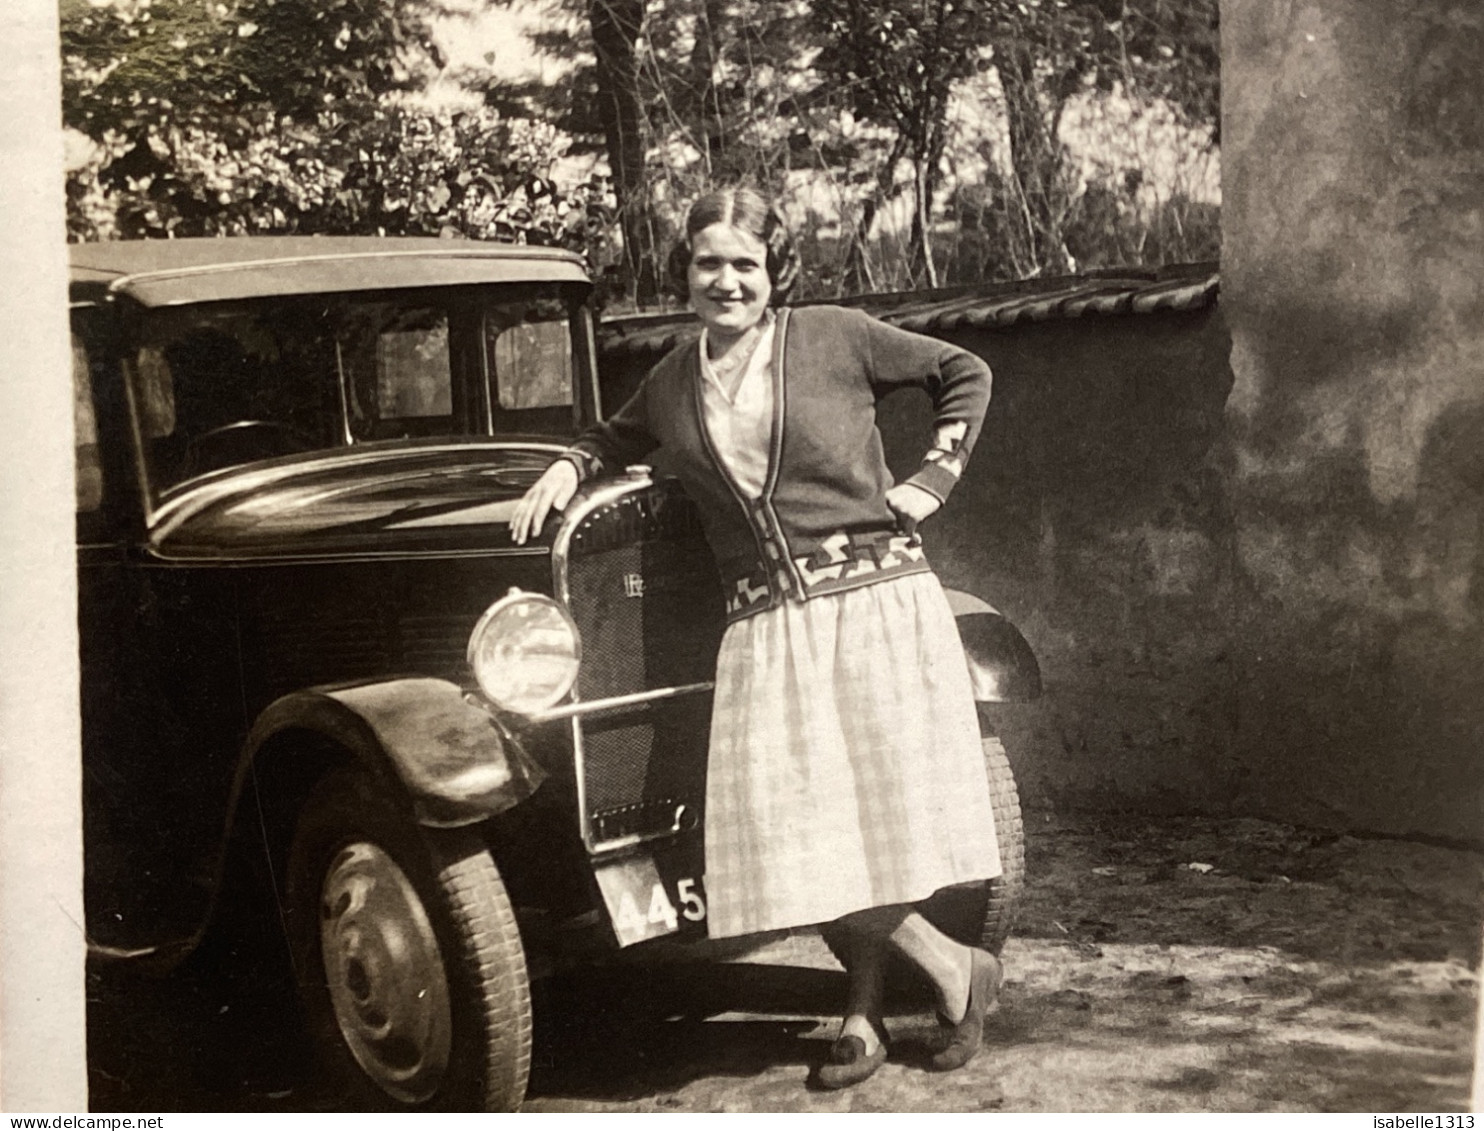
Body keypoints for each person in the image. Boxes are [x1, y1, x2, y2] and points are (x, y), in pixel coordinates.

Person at [511, 187, 1003, 1089]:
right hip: (766, 629)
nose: (727, 280)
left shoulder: (836, 334)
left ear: (776, 275)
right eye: (709, 264)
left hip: (869, 606)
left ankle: (862, 1012)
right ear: (686, 272)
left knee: (864, 823)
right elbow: (609, 437)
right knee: (801, 832)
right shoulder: (671, 380)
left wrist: (933, 478)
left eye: (746, 264)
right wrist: (565, 463)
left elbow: (965, 371)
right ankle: (949, 966)